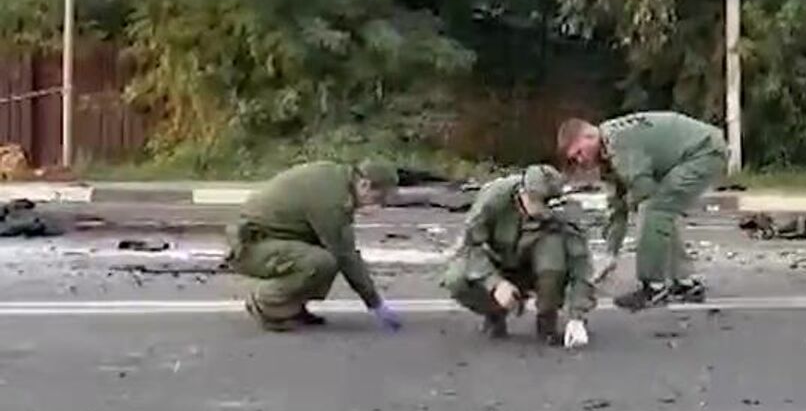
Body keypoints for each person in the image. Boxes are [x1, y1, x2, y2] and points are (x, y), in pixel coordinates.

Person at [557, 111, 727, 310]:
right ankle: (687, 283)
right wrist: (611, 253)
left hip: (703, 151)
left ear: (589, 136)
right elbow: (617, 206)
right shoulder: (607, 153)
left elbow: (642, 190)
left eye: (579, 152)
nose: (580, 161)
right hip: (696, 151)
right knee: (660, 213)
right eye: (574, 159)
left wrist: (628, 204)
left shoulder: (618, 142)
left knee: (654, 210)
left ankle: (653, 287)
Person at [225, 160, 404, 333]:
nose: (377, 205)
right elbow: (345, 255)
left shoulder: (337, 179)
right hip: (251, 247)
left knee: (325, 255)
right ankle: (266, 304)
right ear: (365, 185)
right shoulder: (331, 200)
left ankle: (291, 308)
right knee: (322, 261)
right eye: (378, 198)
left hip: (271, 239)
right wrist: (375, 303)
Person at [442, 164, 597, 348]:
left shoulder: (562, 212)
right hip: (499, 261)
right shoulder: (494, 198)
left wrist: (577, 317)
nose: (546, 210)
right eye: (540, 202)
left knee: (553, 252)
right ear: (524, 194)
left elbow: (581, 264)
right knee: (456, 278)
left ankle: (547, 318)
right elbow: (470, 247)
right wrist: (495, 283)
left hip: (537, 267)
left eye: (550, 203)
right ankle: (495, 313)